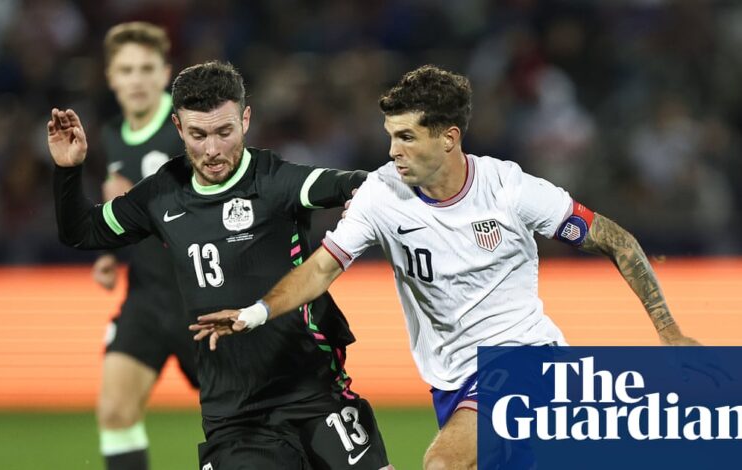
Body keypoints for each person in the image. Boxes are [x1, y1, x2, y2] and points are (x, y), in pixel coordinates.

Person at [190, 65, 701, 469]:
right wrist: (257, 312)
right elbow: (322, 268)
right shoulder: (381, 194)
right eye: (391, 136)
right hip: (451, 380)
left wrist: (668, 330)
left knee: (442, 463)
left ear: (449, 138)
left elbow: (616, 240)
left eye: (407, 137)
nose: (394, 151)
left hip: (525, 359)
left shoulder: (509, 189)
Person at [49, 60, 393, 470]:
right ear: (178, 127)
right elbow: (82, 232)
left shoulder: (276, 181)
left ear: (245, 120)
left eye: (224, 132)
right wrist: (68, 170)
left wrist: (363, 199)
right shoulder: (161, 194)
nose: (212, 150)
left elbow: (358, 183)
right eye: (198, 135)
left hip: (314, 393)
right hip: (234, 416)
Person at [91, 22, 195, 470]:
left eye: (146, 69)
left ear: (165, 73)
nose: (136, 79)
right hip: (148, 297)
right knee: (115, 410)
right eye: (126, 70)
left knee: (245, 421)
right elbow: (118, 208)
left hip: (204, 298)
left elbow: (222, 205)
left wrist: (137, 201)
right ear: (111, 78)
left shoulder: (191, 127)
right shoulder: (112, 134)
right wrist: (109, 252)